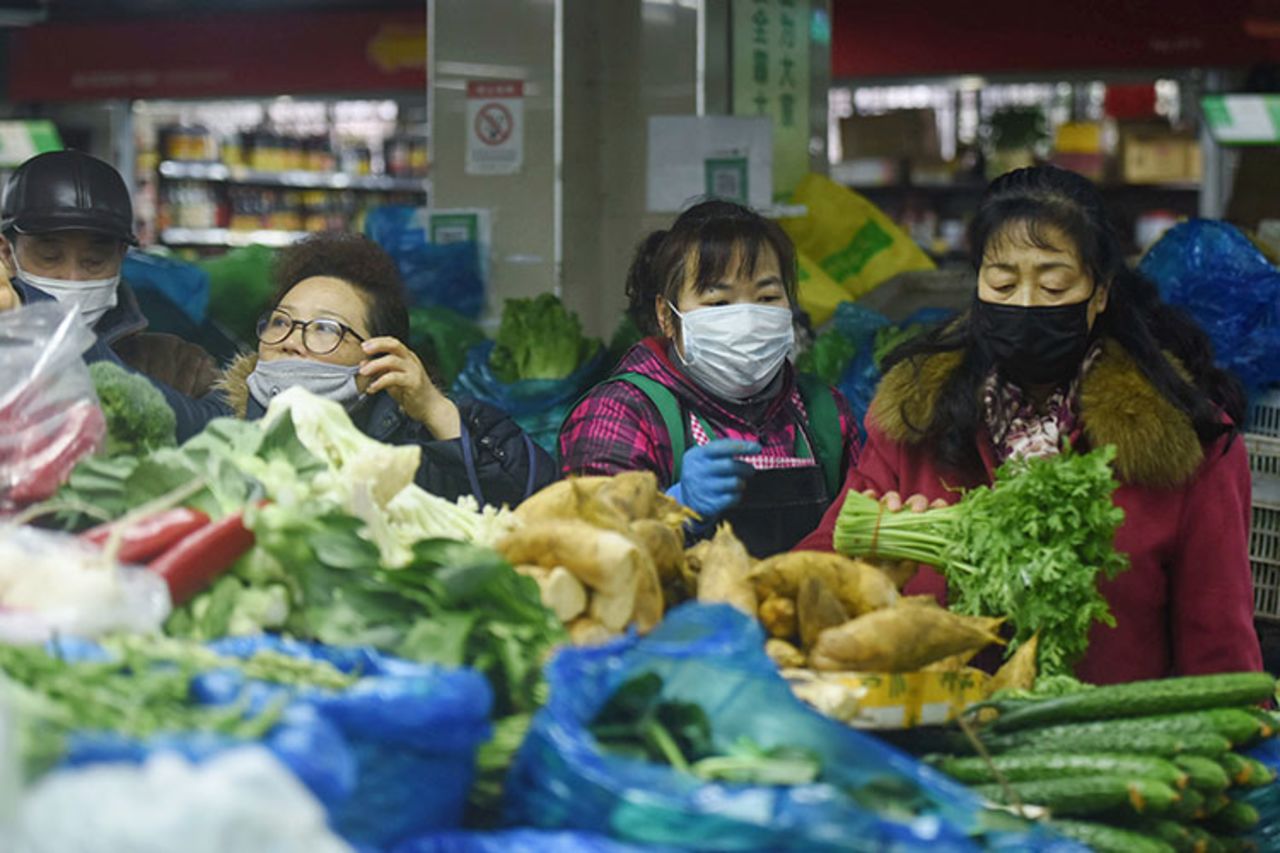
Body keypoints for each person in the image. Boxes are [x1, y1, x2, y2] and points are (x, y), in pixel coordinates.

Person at [796, 165, 1262, 684]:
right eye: (1002, 281)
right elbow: (814, 569)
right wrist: (871, 571)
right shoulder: (915, 418)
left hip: (1103, 752)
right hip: (936, 735)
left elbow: (1220, 651)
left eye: (1054, 283)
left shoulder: (1185, 441)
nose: (1024, 302)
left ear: (1100, 293)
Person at [559, 199, 861, 557]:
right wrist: (674, 506)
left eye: (767, 297)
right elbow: (589, 552)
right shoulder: (619, 414)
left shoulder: (825, 412)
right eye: (718, 303)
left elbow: (864, 535)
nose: (747, 319)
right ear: (667, 316)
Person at [217, 231, 555, 507]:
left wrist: (438, 414)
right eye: (280, 321)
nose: (291, 340)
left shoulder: (426, 441)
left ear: (380, 356)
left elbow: (541, 509)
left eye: (324, 328)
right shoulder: (215, 423)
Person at [0, 149, 224, 439]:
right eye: (49, 257)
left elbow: (221, 436)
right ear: (6, 253)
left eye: (94, 261)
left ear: (121, 257)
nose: (72, 277)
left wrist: (65, 341)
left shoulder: (178, 363)